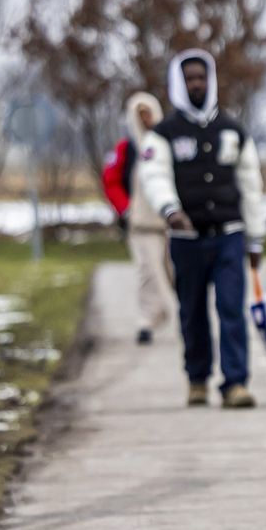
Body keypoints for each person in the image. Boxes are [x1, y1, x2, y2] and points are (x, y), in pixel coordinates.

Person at [142, 50, 265, 408]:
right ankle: (197, 379)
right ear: (178, 84)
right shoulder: (163, 134)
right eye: (189, 79)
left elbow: (251, 184)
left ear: (210, 81)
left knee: (231, 308)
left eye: (201, 77)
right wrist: (170, 209)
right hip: (186, 240)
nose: (196, 84)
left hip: (229, 235)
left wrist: (254, 237)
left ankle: (235, 383)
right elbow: (153, 175)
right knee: (192, 311)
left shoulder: (232, 130)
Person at [101, 91, 177, 345]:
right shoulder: (127, 148)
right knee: (147, 271)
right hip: (141, 224)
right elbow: (110, 180)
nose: (145, 118)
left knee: (174, 272)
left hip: (170, 221)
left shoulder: (168, 143)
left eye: (148, 112)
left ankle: (182, 313)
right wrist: (126, 209)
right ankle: (147, 319)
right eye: (139, 113)